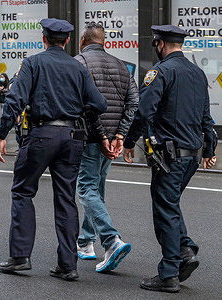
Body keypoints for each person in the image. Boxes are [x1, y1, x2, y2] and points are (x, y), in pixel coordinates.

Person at [0, 18, 107, 281]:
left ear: (43, 39)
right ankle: (68, 265)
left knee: (23, 191)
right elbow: (99, 104)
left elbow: (15, 100)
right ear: (67, 41)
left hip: (42, 133)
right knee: (66, 199)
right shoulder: (78, 68)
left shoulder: (33, 63)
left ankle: (20, 257)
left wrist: (2, 134)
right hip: (72, 137)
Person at [122, 25, 216, 293]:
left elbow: (143, 112)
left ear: (160, 44)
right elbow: (206, 118)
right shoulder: (198, 73)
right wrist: (209, 150)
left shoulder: (161, 72)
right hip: (191, 157)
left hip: (169, 157)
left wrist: (129, 142)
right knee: (170, 205)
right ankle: (186, 250)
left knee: (164, 211)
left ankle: (168, 274)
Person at [74, 22, 138, 272]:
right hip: (112, 141)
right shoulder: (122, 65)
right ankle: (86, 242)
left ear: (82, 41)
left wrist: (101, 136)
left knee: (86, 188)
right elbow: (133, 102)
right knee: (97, 188)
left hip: (91, 138)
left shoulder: (79, 63)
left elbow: (85, 106)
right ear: (105, 42)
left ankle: (111, 241)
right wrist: (120, 134)